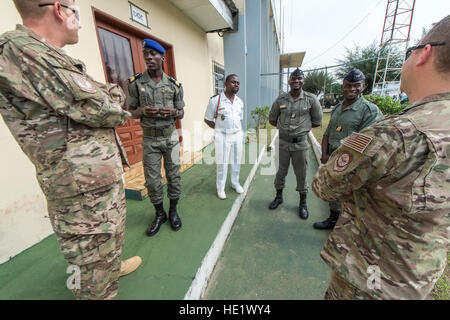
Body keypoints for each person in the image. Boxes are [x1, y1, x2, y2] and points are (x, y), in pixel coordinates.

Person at [0, 0, 142, 300]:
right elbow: (102, 107)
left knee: (105, 243)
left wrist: (103, 93)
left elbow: (87, 98)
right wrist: (115, 92)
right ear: (58, 9)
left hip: (91, 183)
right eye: (75, 11)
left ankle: (111, 268)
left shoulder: (46, 54)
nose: (78, 19)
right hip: (80, 189)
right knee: (91, 261)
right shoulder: (25, 51)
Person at [312, 15, 450, 300]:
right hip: (415, 279)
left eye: (410, 51)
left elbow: (324, 186)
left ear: (424, 53)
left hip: (370, 280)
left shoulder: (396, 132)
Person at [128, 39, 184, 237]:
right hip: (150, 140)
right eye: (146, 54)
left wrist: (173, 111)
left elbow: (181, 113)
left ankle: (173, 210)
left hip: (170, 138)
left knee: (174, 176)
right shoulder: (136, 84)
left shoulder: (174, 85)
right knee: (152, 181)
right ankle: (159, 213)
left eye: (153, 54)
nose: (149, 57)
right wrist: (142, 110)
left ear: (162, 57)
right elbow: (131, 112)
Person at [313, 69, 383, 230]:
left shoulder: (369, 111)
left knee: (351, 195)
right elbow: (327, 133)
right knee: (333, 191)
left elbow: (368, 143)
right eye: (348, 85)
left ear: (363, 87)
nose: (352, 89)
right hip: (332, 158)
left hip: (352, 161)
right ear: (342, 87)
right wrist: (324, 155)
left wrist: (343, 159)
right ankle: (333, 218)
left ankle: (350, 226)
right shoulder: (338, 108)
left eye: (356, 85)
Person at [268, 68, 323, 219]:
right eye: (293, 79)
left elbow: (317, 122)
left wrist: (301, 129)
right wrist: (285, 128)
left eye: (299, 79)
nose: (296, 81)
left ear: (303, 81)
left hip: (300, 144)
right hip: (284, 143)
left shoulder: (311, 99)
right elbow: (272, 118)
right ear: (289, 81)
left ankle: (302, 203)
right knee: (281, 172)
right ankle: (279, 197)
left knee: (302, 173)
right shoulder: (281, 100)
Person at [204, 74, 245, 199]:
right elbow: (207, 119)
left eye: (237, 83)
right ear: (226, 84)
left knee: (236, 161)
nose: (236, 84)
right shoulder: (215, 100)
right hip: (222, 136)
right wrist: (219, 129)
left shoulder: (239, 102)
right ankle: (220, 188)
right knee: (222, 164)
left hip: (237, 135)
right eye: (233, 82)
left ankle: (235, 183)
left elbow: (240, 119)